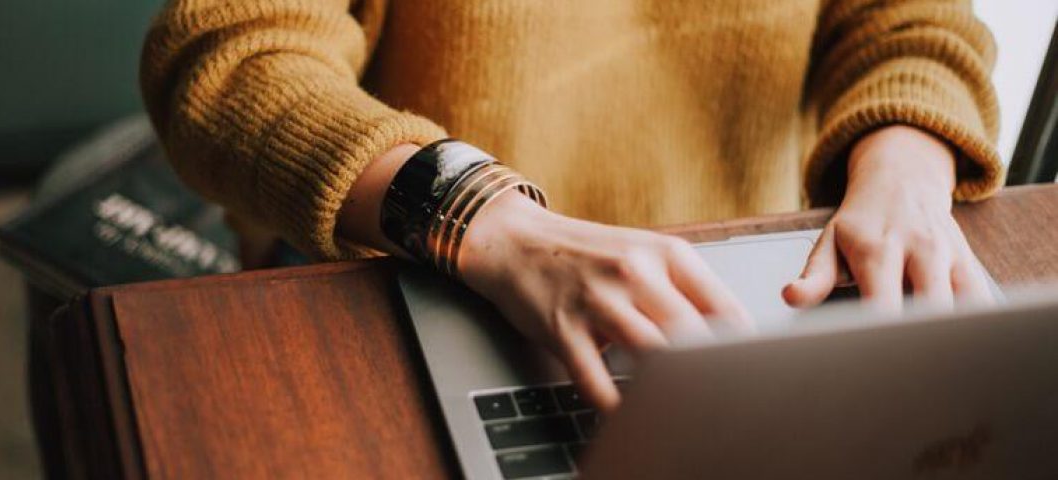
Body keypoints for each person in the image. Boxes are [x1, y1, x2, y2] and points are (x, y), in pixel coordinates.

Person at [141, 0, 1002, 410]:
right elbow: (229, 58)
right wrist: (485, 217)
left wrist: (906, 164)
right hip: (420, 290)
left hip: (737, 308)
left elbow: (913, 20)